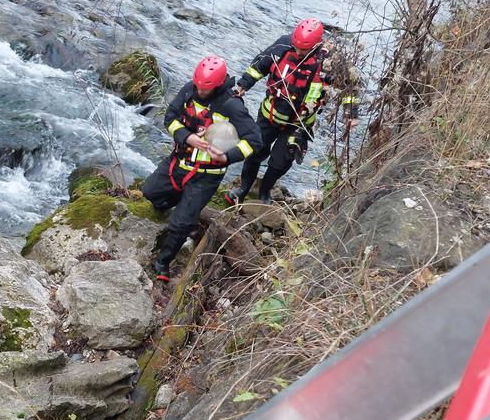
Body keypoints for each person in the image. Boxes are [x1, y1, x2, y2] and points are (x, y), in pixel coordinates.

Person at [141, 55, 261, 282]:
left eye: (204, 89)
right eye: (197, 86)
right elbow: (170, 117)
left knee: (181, 223)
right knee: (150, 192)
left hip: (206, 176)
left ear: (217, 86)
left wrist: (226, 156)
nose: (199, 91)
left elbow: (254, 140)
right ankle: (181, 201)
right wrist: (187, 137)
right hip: (179, 162)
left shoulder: (231, 106)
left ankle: (163, 262)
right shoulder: (189, 90)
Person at [224, 18, 361, 205]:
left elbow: (350, 87)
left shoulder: (331, 62)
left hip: (299, 123)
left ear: (316, 45)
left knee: (281, 162)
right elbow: (259, 66)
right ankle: (243, 188)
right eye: (296, 47)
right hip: (269, 114)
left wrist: (351, 114)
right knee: (254, 152)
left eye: (303, 50)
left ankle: (264, 192)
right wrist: (243, 85)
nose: (298, 52)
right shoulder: (283, 45)